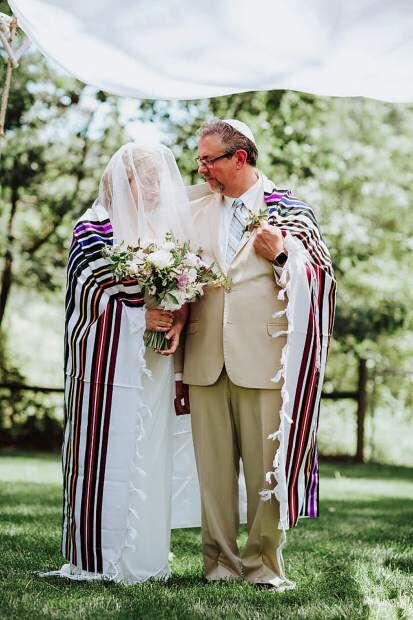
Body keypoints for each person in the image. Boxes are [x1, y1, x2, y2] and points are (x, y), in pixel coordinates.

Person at [175, 119, 336, 590]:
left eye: (209, 160)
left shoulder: (289, 209)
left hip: (266, 359)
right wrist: (181, 370)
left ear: (239, 158)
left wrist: (283, 253)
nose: (201, 169)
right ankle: (219, 566)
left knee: (267, 471)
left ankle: (262, 566)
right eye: (200, 160)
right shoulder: (194, 209)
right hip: (205, 359)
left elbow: (323, 280)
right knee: (213, 475)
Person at [43, 142, 194, 583]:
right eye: (143, 179)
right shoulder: (93, 228)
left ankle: (144, 558)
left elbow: (178, 290)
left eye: (156, 180)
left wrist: (171, 317)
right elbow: (88, 297)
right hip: (105, 366)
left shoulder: (160, 235)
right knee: (106, 451)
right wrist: (139, 316)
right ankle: (98, 556)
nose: (152, 189)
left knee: (148, 448)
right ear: (120, 180)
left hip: (153, 362)